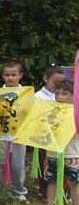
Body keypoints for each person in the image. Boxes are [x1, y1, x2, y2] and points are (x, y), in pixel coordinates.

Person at [0, 61, 29, 202]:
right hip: (0, 135)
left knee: (18, 165)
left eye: (13, 75)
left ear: (20, 75)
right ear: (2, 76)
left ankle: (19, 191)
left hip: (19, 136)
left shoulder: (26, 94)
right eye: (7, 75)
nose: (10, 78)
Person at [38, 80, 79, 205]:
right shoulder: (51, 111)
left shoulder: (76, 113)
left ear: (74, 95)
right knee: (52, 180)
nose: (60, 97)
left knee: (74, 182)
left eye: (65, 93)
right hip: (53, 153)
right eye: (57, 93)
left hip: (72, 154)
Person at [34, 65, 65, 197]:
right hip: (43, 136)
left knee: (61, 162)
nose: (58, 86)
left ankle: (63, 188)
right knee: (44, 162)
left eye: (61, 83)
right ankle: (45, 190)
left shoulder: (64, 95)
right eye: (55, 82)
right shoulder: (38, 96)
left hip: (60, 135)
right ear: (46, 78)